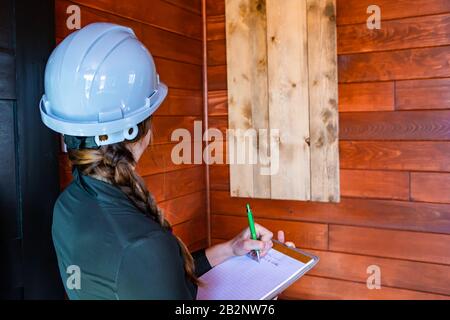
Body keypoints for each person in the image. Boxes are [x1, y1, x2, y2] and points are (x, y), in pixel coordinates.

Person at [39, 22, 295, 300]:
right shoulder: (143, 244)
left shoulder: (68, 207)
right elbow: (150, 267)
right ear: (138, 130)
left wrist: (231, 249)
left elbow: (153, 276)